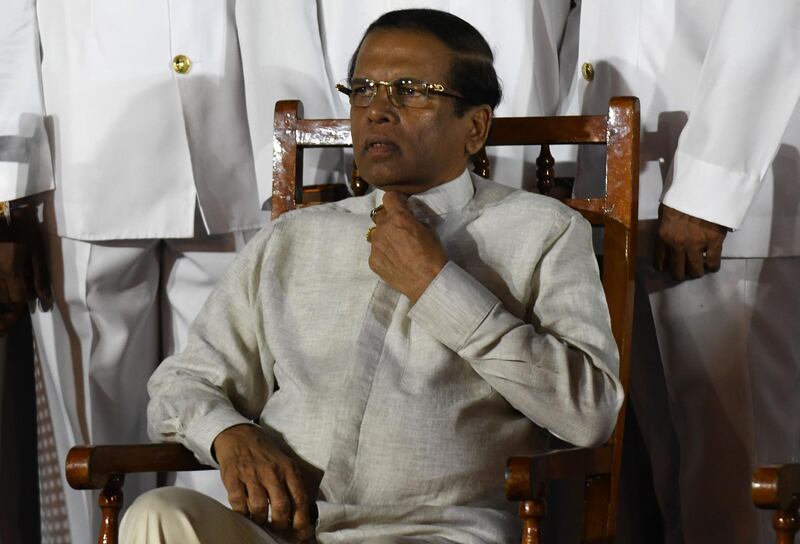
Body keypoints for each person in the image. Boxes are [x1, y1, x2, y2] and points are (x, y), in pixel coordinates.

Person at [119, 9, 624, 544]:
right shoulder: (294, 237)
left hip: (438, 531)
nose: (377, 111)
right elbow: (182, 382)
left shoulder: (542, 231)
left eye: (409, 90)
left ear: (474, 126)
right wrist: (229, 432)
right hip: (279, 530)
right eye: (362, 90)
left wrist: (438, 285)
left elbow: (590, 412)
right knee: (158, 515)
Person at [0, 2, 335, 542]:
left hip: (231, 153)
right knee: (91, 426)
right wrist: (7, 195)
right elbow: (8, 30)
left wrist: (309, 155)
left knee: (229, 403)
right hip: (86, 156)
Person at [558, 1, 800, 542]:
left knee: (740, 470)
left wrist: (708, 188)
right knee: (673, 471)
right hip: (625, 183)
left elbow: (770, 18)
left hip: (721, 203)